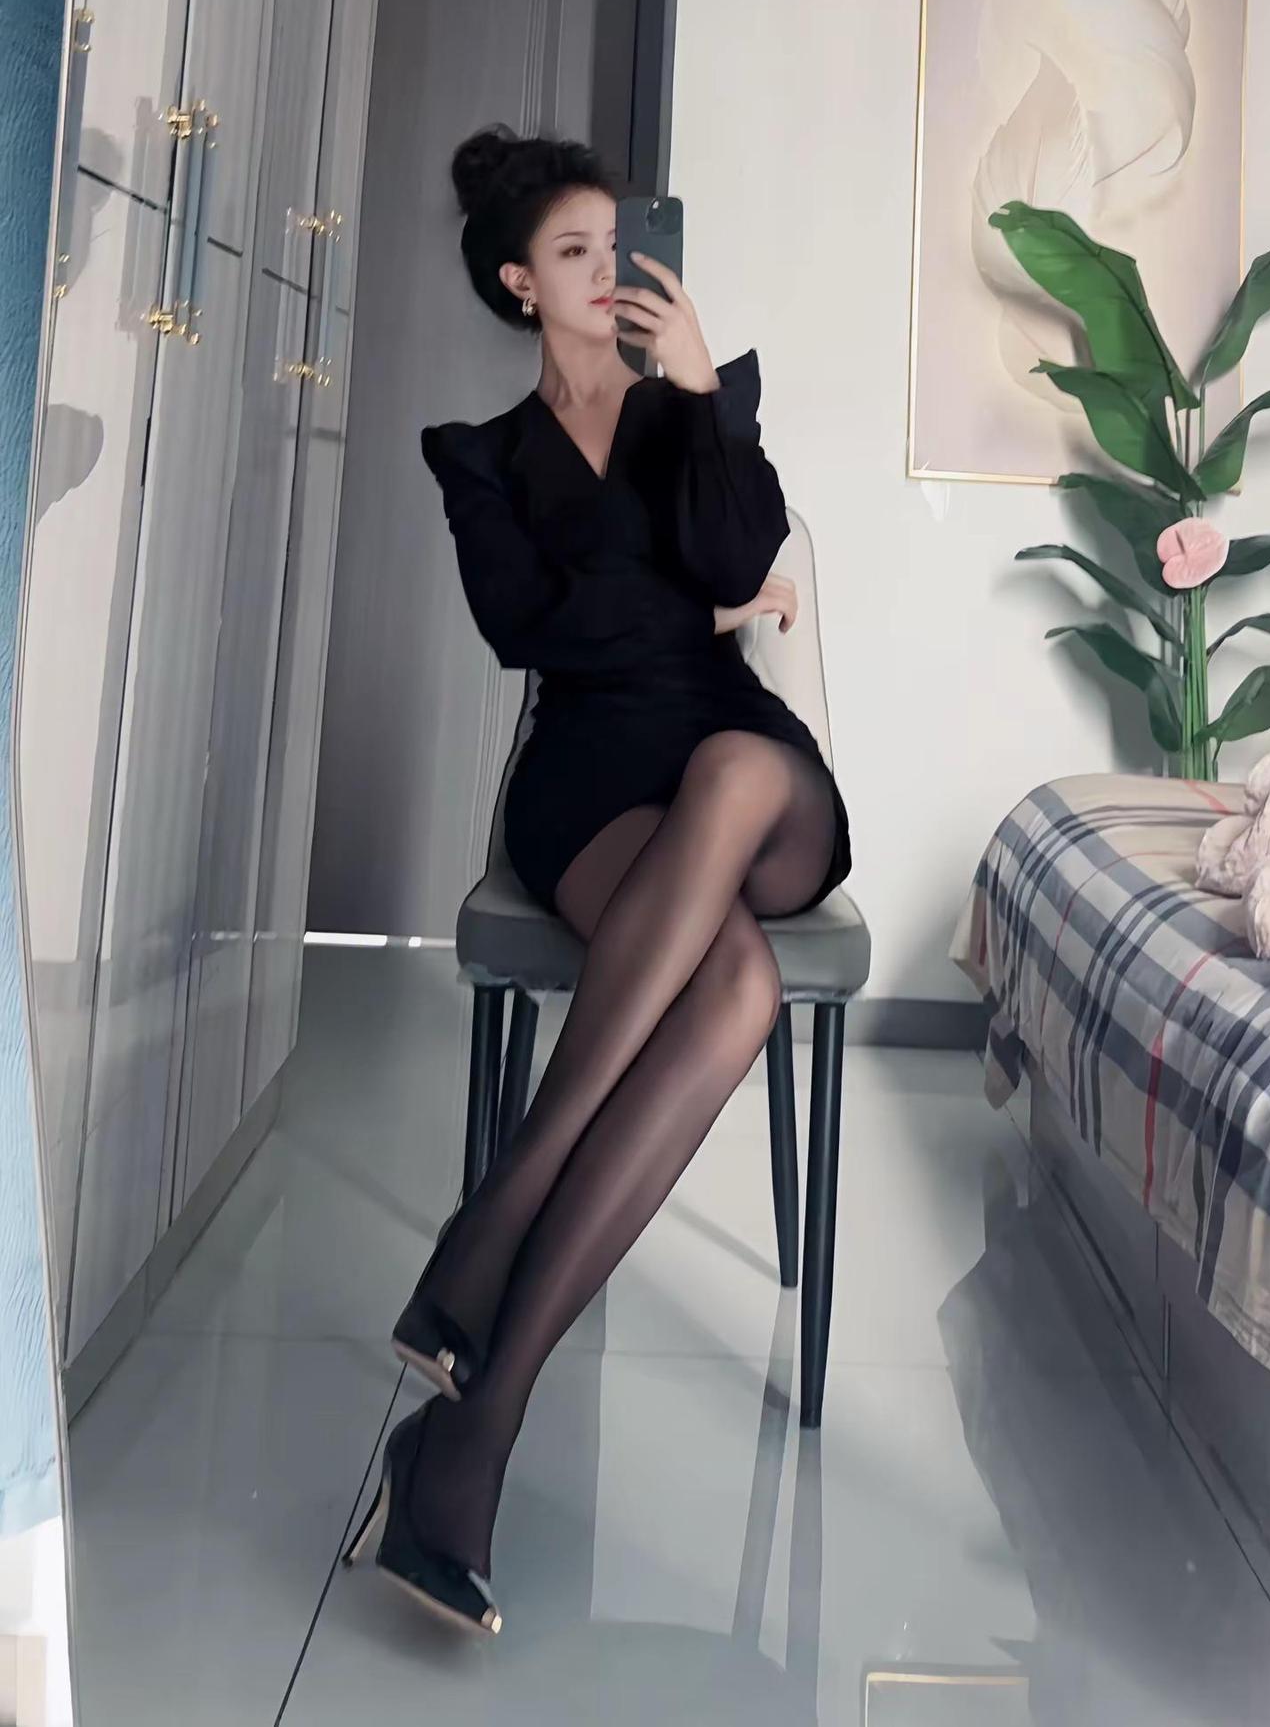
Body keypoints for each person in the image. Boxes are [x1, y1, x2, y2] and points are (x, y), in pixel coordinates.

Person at [343, 126, 851, 1636]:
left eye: (619, 249)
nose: (608, 271)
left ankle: (495, 1214)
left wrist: (698, 398)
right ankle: (473, 1434)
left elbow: (741, 554)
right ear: (520, 284)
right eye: (574, 252)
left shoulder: (698, 403)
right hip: (588, 785)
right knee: (737, 983)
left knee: (738, 770)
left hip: (738, 765)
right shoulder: (481, 457)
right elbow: (528, 628)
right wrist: (696, 605)